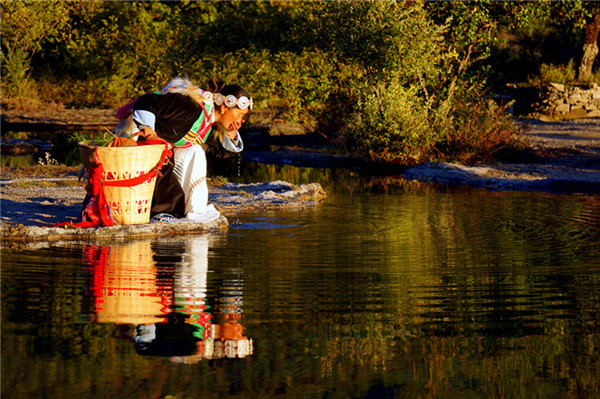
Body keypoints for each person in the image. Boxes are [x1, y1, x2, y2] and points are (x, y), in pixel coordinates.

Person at [130, 77, 252, 222]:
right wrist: (150, 133)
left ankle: (194, 212)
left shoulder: (207, 122)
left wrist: (231, 133)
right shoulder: (190, 107)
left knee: (194, 151)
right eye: (240, 115)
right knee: (167, 151)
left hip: (163, 156)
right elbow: (145, 102)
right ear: (225, 108)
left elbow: (222, 152)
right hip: (139, 151)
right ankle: (162, 212)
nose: (241, 121)